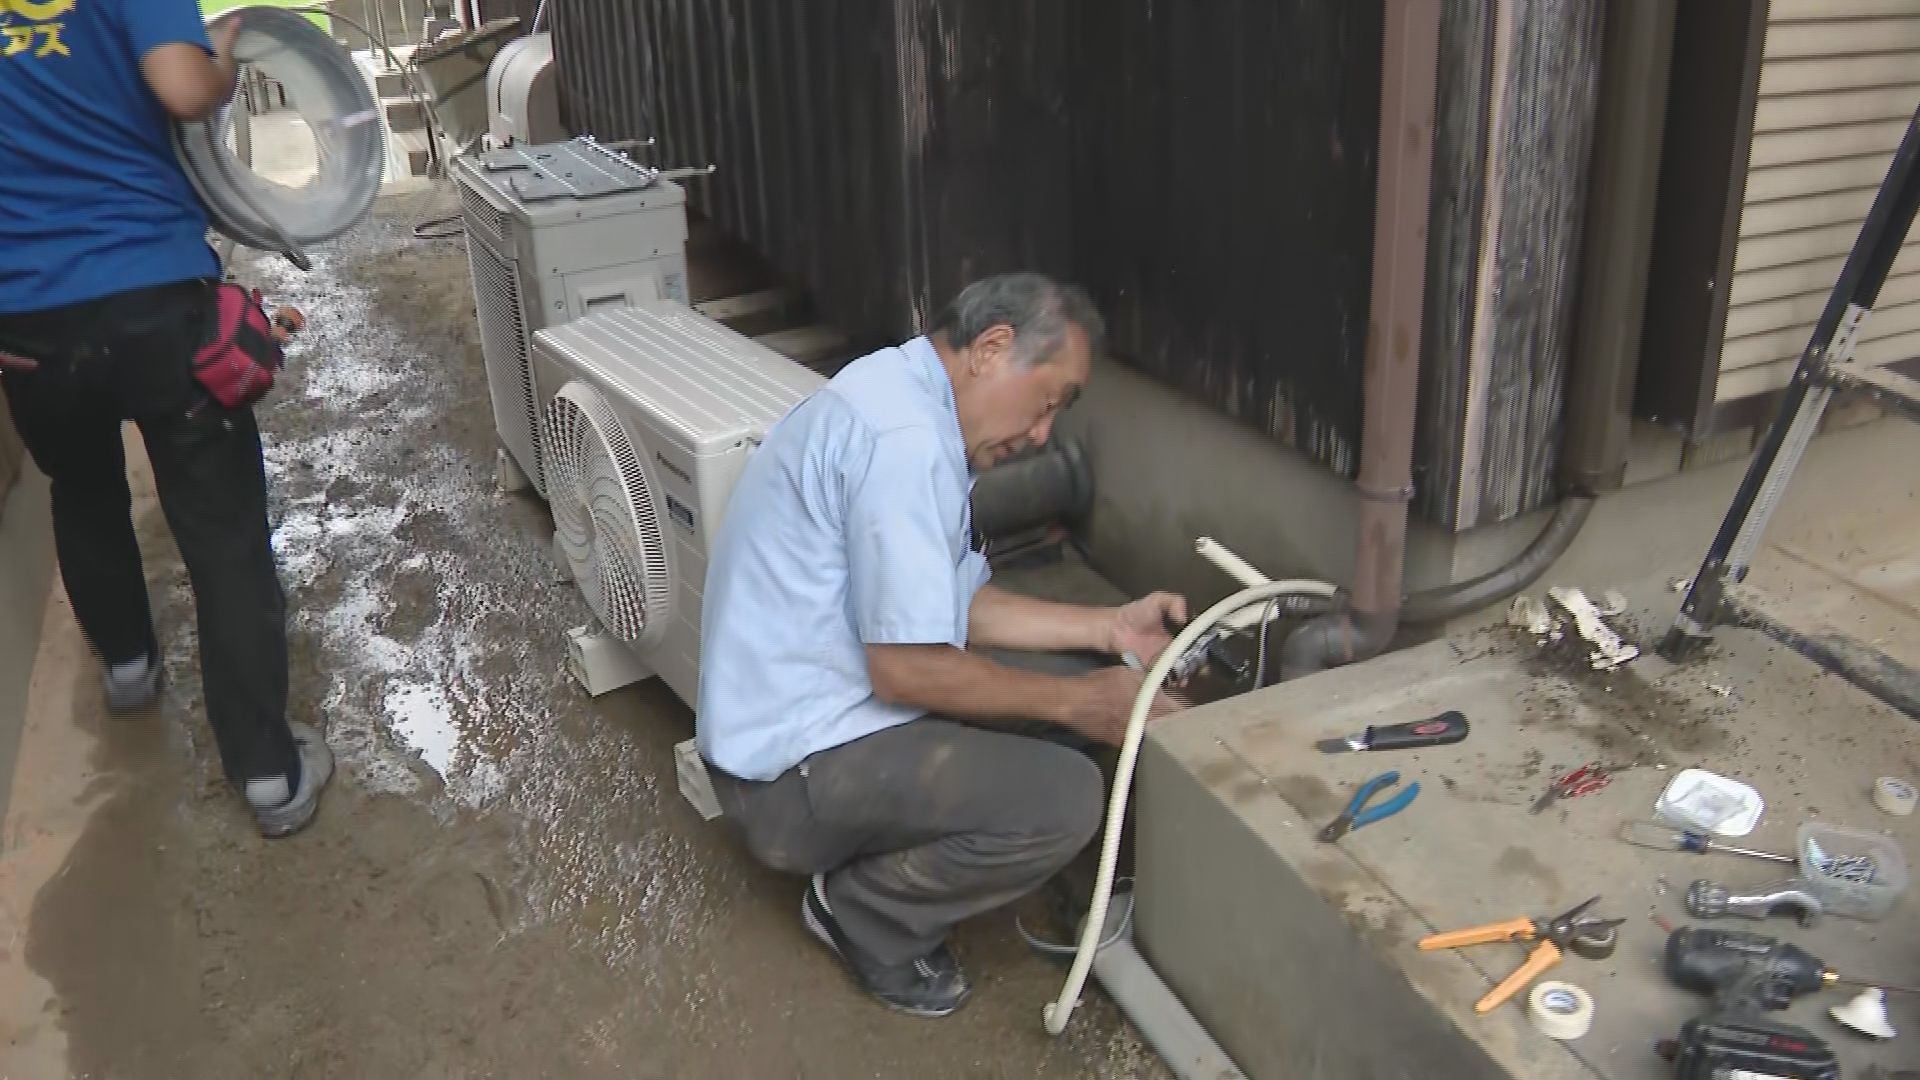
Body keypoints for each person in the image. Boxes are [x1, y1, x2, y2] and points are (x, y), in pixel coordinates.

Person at [697, 271, 1187, 1017]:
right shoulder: (904, 441)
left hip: (819, 722)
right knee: (1067, 795)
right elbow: (907, 667)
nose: (1042, 433)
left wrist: (1110, 629)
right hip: (786, 779)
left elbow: (951, 608)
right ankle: (859, 911)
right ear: (992, 348)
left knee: (1083, 685)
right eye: (1047, 401)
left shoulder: (908, 402)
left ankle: (989, 846)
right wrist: (1081, 704)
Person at [0, 1, 332, 838]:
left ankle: (129, 666)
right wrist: (218, 61)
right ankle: (267, 774)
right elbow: (184, 89)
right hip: (153, 292)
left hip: (28, 316)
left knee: (80, 489)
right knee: (223, 533)